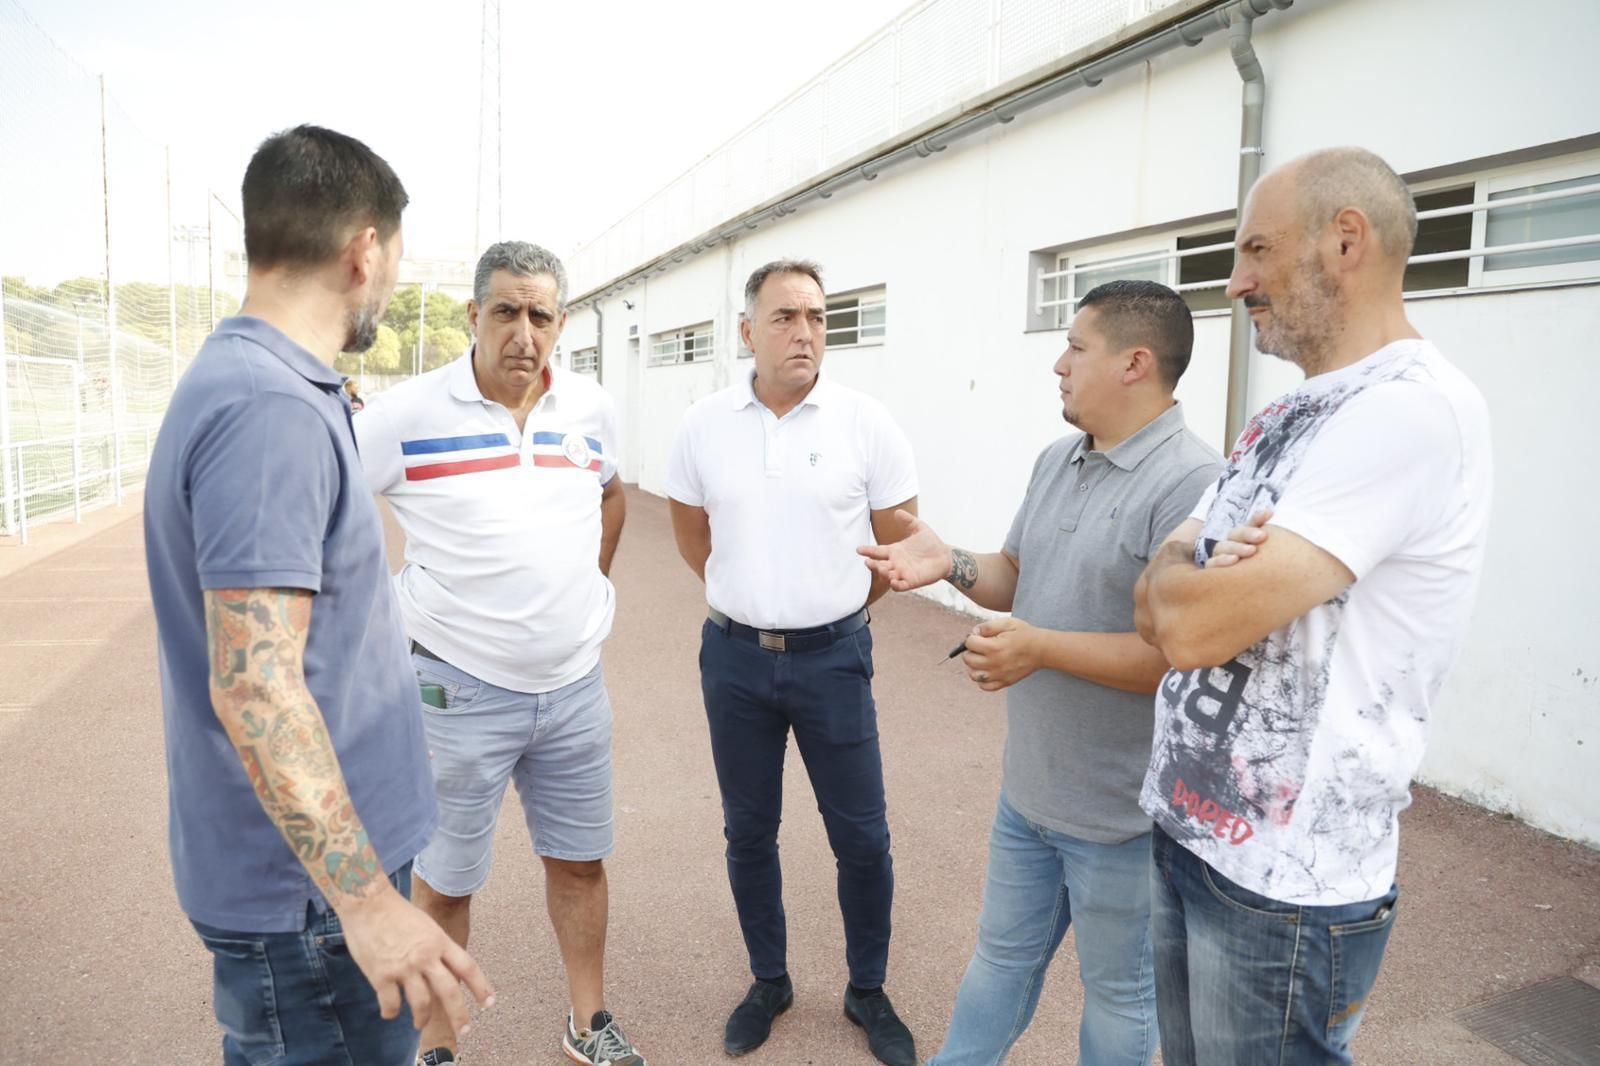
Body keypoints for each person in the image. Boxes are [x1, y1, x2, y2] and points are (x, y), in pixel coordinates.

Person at [1133, 147, 1493, 1065]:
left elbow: (1186, 625)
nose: (1233, 282)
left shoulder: (1410, 411)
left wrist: (1189, 568)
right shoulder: (1286, 414)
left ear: (1345, 241)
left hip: (1284, 890)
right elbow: (1155, 593)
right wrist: (1188, 565)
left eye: (1255, 251)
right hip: (1192, 836)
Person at [143, 124, 493, 1066]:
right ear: (363, 248)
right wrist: (367, 901)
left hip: (312, 891)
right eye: (393, 259)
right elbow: (256, 685)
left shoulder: (272, 384)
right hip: (309, 905)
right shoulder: (268, 408)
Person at [860, 280, 1220, 1065]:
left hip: (1124, 820)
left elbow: (1172, 656)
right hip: (1031, 794)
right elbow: (1015, 574)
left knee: (1121, 1001)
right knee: (999, 964)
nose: (1058, 364)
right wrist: (948, 562)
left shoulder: (1196, 485)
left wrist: (1038, 648)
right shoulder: (1059, 458)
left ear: (1135, 363)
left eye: (1076, 347)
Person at [353, 240, 641, 1066]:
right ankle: (438, 1045)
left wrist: (587, 591)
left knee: (582, 864)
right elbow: (327, 499)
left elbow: (611, 493)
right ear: (473, 315)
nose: (524, 331)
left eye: (541, 314)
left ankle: (589, 1024)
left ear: (561, 324)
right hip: (456, 691)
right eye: (507, 311)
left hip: (575, 688)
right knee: (444, 882)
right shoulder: (407, 415)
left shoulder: (588, 407)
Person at [664, 259, 919, 1065]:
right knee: (748, 833)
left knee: (864, 838)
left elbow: (899, 540)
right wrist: (754, 602)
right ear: (747, 331)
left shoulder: (866, 421)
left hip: (834, 659)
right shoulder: (704, 424)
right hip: (734, 660)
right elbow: (692, 537)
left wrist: (828, 611)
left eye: (816, 315)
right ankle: (768, 981)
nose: (805, 330)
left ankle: (866, 989)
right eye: (784, 317)